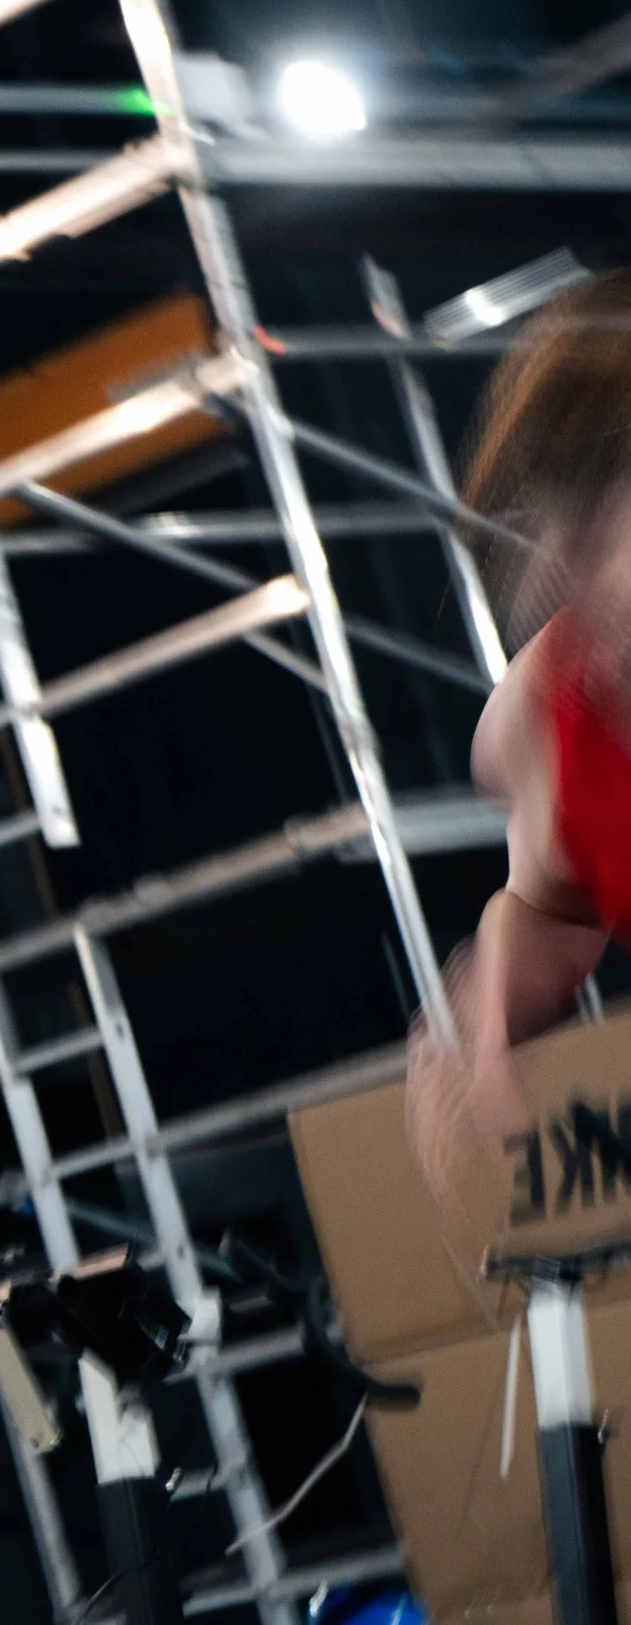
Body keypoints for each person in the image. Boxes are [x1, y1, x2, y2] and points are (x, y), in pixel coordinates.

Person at [408, 269, 631, 1203]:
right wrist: (487, 1025)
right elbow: (554, 908)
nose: (595, 595)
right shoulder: (539, 718)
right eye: (567, 557)